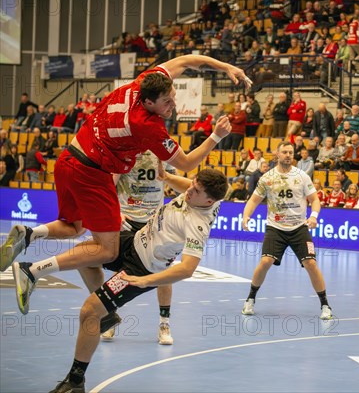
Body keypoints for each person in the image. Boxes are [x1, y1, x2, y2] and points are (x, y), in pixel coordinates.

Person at [1, 54, 249, 316]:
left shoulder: (145, 82)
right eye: (167, 102)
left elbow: (186, 60)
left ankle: (29, 234)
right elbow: (186, 164)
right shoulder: (147, 126)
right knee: (108, 250)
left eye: (173, 97)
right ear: (148, 101)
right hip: (92, 172)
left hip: (69, 158)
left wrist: (225, 66)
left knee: (76, 228)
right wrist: (215, 136)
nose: (173, 104)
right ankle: (32, 271)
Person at [46, 168, 228, 393]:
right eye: (192, 184)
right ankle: (109, 316)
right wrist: (169, 178)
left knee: (89, 311)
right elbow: (189, 186)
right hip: (133, 241)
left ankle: (75, 381)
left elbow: (188, 268)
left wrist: (147, 281)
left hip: (141, 268)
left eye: (196, 189)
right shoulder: (205, 197)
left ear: (208, 200)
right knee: (83, 255)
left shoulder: (197, 225)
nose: (189, 189)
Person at [241, 141, 332, 320]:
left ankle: (325, 305)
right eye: (285, 152)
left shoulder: (302, 176)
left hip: (299, 227)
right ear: (277, 154)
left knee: (311, 264)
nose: (288, 155)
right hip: (275, 227)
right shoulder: (267, 177)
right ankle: (250, 299)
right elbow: (253, 200)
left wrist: (313, 216)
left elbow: (314, 199)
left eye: (291, 152)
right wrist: (245, 216)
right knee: (265, 261)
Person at [102, 150, 176, 344]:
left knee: (165, 273)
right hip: (127, 219)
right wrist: (114, 212)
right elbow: (109, 184)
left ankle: (164, 324)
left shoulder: (162, 151)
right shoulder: (124, 150)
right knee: (120, 271)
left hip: (154, 222)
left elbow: (171, 180)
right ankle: (110, 316)